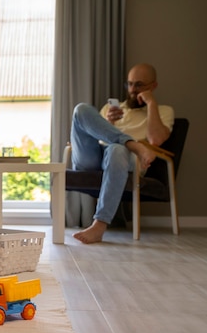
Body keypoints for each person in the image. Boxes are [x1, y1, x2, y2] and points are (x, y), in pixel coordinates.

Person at [70, 63, 174, 244]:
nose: (133, 90)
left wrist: (151, 103)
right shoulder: (111, 109)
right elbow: (97, 139)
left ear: (153, 86)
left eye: (139, 85)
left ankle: (99, 224)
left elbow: (156, 140)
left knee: (117, 149)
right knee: (81, 109)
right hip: (94, 157)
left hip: (125, 160)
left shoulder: (163, 111)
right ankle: (132, 144)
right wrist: (110, 123)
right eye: (130, 84)